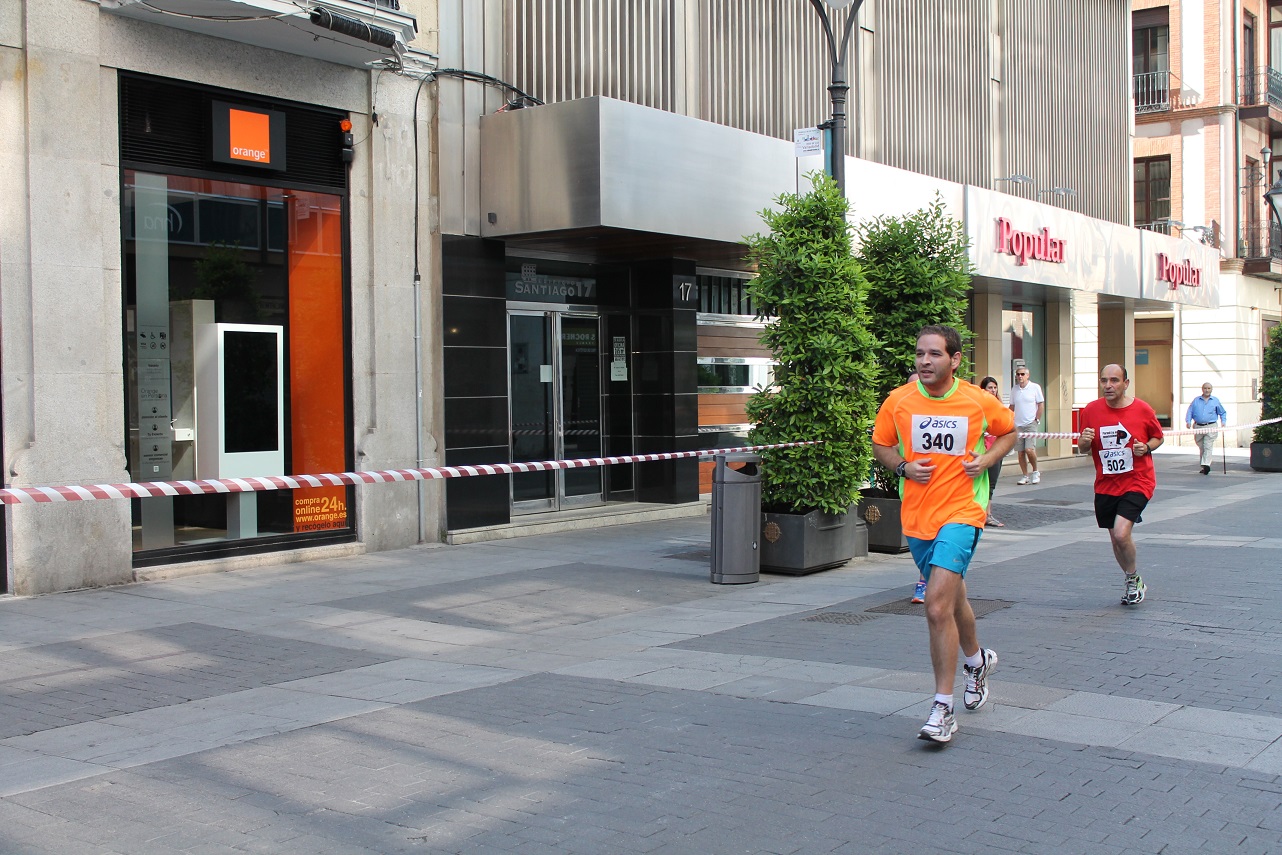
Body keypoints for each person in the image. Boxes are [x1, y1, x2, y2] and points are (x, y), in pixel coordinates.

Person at [872, 325, 1017, 743]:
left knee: (936, 606)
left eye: (934, 354)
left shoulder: (977, 399)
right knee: (954, 600)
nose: (924, 361)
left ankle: (942, 709)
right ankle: (977, 661)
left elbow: (1009, 432)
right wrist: (903, 467)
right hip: (919, 517)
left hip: (963, 512)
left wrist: (985, 459)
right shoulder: (899, 400)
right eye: (920, 353)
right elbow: (881, 445)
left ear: (954, 360)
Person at [1077, 364, 1164, 607]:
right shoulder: (1091, 410)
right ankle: (1132, 578)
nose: (1108, 385)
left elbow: (1158, 437)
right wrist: (1083, 441)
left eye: (1114, 380)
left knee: (1121, 532)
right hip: (1106, 484)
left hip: (1138, 480)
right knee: (1115, 539)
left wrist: (1146, 447)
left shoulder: (1142, 409)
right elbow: (1083, 448)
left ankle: (1132, 578)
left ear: (1126, 383)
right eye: (1104, 380)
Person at [1009, 366, 1045, 485]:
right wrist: (1009, 419)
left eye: (1022, 374)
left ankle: (1035, 471)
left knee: (1029, 449)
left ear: (1027, 375)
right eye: (1018, 374)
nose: (1020, 376)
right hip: (1018, 424)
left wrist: (1037, 419)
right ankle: (1025, 475)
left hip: (1030, 423)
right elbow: (1012, 406)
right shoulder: (1014, 389)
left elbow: (1040, 404)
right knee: (1020, 452)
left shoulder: (1035, 387)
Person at [979, 376, 1006, 527]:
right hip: (981, 450)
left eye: (995, 388)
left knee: (991, 483)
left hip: (995, 449)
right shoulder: (978, 405)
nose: (993, 390)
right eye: (990, 387)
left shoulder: (998, 406)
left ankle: (987, 514)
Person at [1185, 382, 1227, 475]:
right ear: (1202, 389)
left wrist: (1223, 421)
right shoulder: (1196, 400)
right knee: (1201, 446)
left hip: (1211, 426)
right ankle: (1204, 466)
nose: (1207, 390)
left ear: (1211, 390)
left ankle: (1206, 464)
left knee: (1208, 445)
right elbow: (1190, 411)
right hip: (1198, 426)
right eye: (1205, 388)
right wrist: (1188, 421)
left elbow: (1222, 412)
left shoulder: (1215, 400)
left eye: (1209, 388)